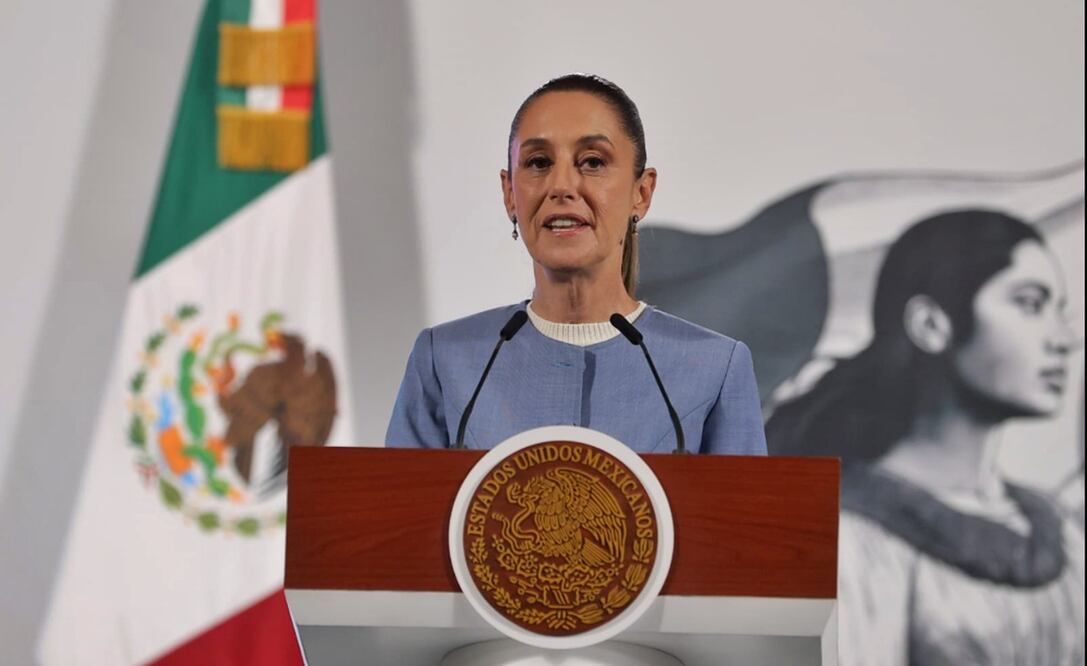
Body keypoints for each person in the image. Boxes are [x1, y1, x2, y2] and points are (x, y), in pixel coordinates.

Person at [385, 74, 767, 455]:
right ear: (509, 194)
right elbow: (397, 513)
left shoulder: (714, 368)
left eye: (592, 162)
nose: (562, 186)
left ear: (642, 192)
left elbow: (746, 514)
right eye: (538, 162)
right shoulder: (444, 361)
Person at [766, 210, 1084, 665]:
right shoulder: (851, 539)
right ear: (932, 325)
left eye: (1060, 310)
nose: (1063, 338)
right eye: (1031, 304)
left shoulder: (1063, 531)